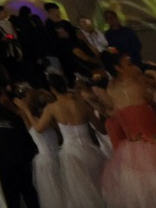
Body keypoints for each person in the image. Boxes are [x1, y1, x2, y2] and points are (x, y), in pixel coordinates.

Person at [98, 52, 156, 208]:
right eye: (129, 63)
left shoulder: (112, 88)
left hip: (132, 148)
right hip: (155, 144)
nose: (133, 66)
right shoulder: (138, 85)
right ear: (118, 68)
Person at [17, 72, 105, 207]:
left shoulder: (53, 108)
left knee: (81, 195)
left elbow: (39, 128)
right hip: (90, 151)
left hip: (72, 156)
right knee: (99, 189)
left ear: (52, 89)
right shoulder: (82, 104)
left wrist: (27, 111)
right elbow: (101, 129)